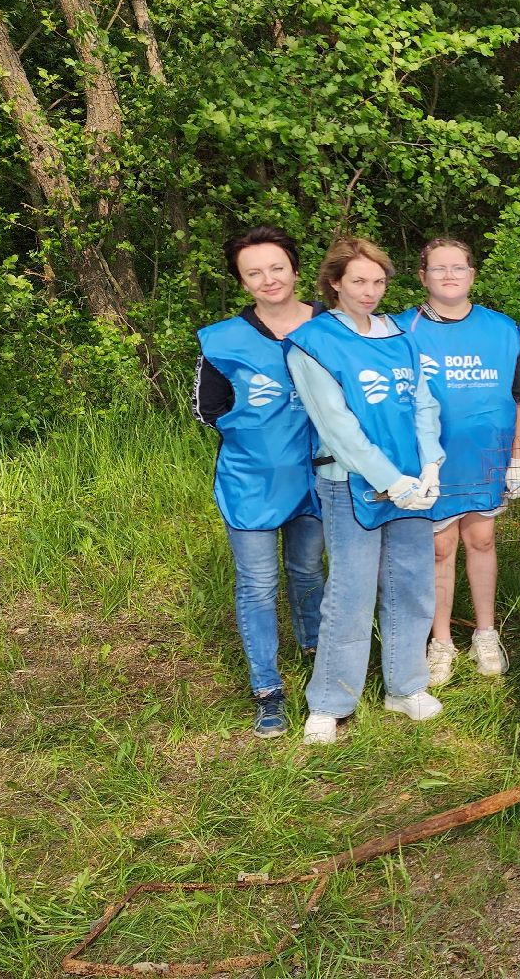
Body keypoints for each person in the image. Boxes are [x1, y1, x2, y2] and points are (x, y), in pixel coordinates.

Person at [285, 237, 445, 745]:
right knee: (350, 593)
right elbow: (336, 427)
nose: (370, 291)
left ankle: (406, 685)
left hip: (413, 486)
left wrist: (430, 463)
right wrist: (389, 480)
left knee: (412, 584)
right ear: (335, 282)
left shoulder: (400, 336)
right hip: (351, 483)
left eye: (378, 281)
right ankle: (330, 702)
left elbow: (422, 403)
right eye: (358, 280)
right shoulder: (312, 343)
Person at [193, 226, 325, 739]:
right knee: (258, 584)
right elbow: (207, 409)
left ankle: (319, 659)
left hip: (318, 477)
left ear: (294, 269)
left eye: (276, 267)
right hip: (252, 481)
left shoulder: (331, 325)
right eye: (254, 273)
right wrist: (259, 431)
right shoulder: (223, 339)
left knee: (308, 571)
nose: (268, 279)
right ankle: (268, 689)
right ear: (242, 282)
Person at [400, 238, 520, 687]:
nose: (449, 276)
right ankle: (441, 640)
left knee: (481, 538)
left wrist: (519, 457)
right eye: (439, 268)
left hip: (486, 457)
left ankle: (485, 632)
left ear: (472, 274)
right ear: (422, 276)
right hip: (431, 462)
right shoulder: (401, 330)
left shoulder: (501, 328)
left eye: (458, 267)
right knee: (440, 547)